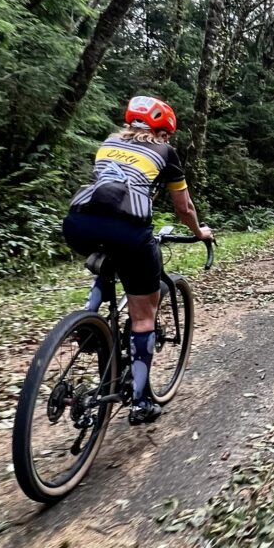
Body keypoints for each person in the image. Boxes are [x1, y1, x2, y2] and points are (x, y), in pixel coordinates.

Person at [64, 95, 213, 424]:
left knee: (110, 254)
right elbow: (183, 208)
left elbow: (112, 183)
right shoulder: (166, 152)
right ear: (164, 132)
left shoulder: (109, 141)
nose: (168, 140)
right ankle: (141, 401)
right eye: (168, 135)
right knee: (143, 315)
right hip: (128, 230)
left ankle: (89, 320)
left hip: (78, 223)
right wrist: (199, 231)